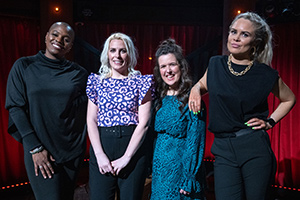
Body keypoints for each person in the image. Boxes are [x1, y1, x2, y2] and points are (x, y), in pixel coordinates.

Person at [189, 12, 296, 200]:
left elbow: (289, 99)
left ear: (255, 42)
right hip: (222, 149)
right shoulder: (216, 64)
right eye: (233, 31)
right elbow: (202, 84)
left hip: (253, 148)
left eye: (244, 34)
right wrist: (195, 89)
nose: (236, 38)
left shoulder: (264, 74)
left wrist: (270, 122)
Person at [5, 22, 88, 200]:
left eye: (66, 39)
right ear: (46, 36)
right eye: (55, 34)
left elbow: (92, 103)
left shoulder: (78, 73)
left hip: (72, 150)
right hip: (40, 151)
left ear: (70, 46)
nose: (59, 40)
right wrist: (35, 148)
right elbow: (15, 107)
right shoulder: (24, 65)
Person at [86, 32, 153, 200]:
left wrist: (127, 157)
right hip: (102, 145)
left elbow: (144, 123)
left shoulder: (141, 82)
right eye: (113, 50)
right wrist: (100, 155)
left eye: (122, 51)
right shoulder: (97, 81)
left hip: (132, 146)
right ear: (107, 54)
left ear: (129, 53)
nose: (117, 55)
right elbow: (91, 120)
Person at [151, 38, 206, 200]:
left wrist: (188, 178)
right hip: (160, 171)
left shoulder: (192, 98)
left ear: (181, 66)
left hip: (181, 171)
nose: (168, 70)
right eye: (163, 66)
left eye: (172, 65)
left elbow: (196, 141)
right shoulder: (159, 98)